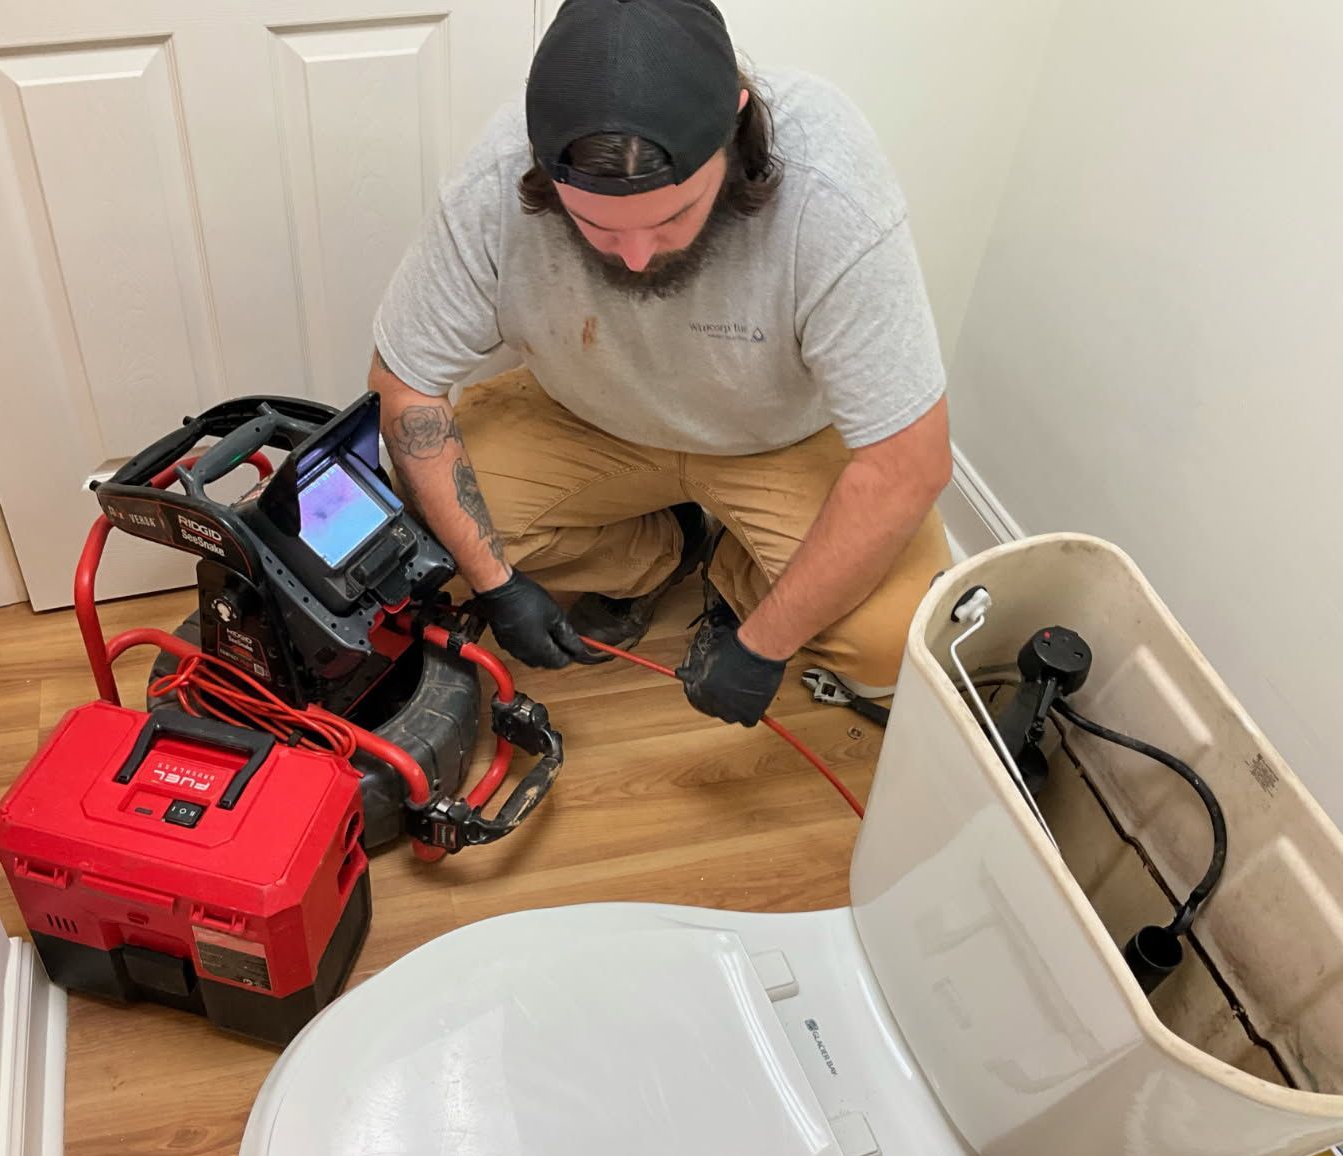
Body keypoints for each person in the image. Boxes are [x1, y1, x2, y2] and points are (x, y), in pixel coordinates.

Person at [369, 0, 953, 727]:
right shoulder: (494, 178)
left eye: (673, 216)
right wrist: (496, 584)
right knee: (422, 515)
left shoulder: (831, 190)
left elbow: (911, 462)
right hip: (586, 417)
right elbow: (405, 385)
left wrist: (764, 644)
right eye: (596, 226)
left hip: (779, 439)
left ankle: (739, 578)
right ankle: (663, 550)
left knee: (893, 641)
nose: (638, 258)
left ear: (736, 129)